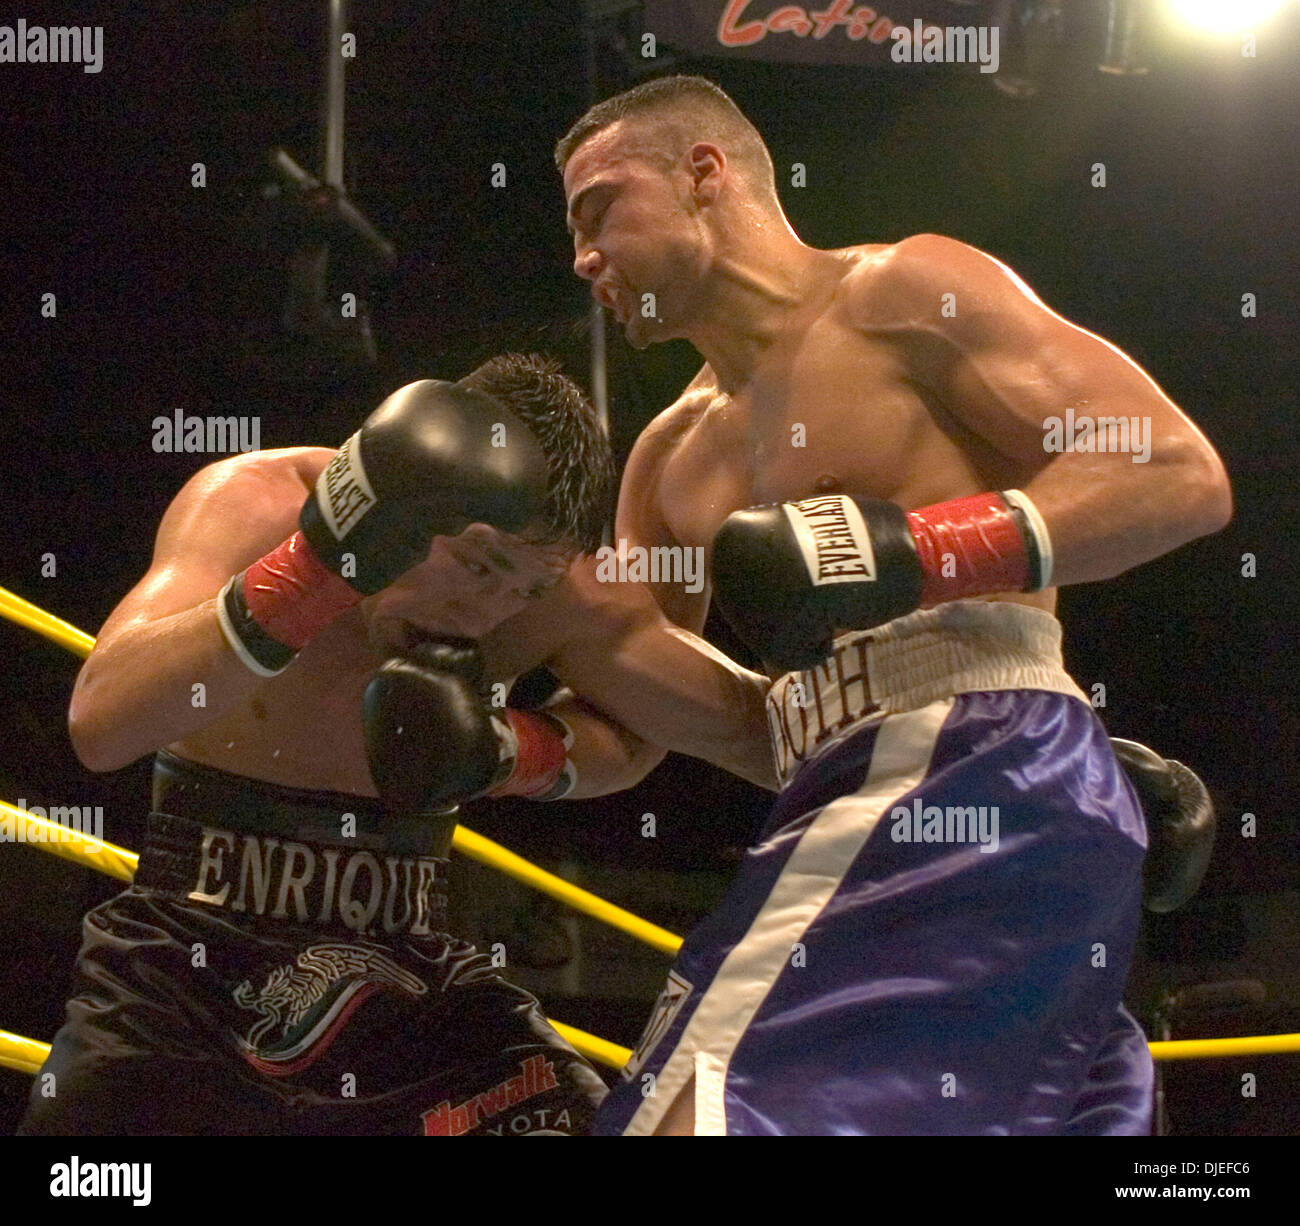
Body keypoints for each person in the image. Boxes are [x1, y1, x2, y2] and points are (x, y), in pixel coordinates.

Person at [552, 74, 1232, 1135]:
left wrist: (916, 550)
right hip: (858, 785)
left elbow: (1174, 471)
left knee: (692, 1111)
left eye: (600, 212)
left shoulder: (902, 294)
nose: (585, 257)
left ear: (702, 175)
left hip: (975, 760)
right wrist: (509, 747)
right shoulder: (668, 463)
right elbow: (635, 710)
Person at [20, 353, 772, 1136]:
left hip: (406, 977)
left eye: (522, 589)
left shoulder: (561, 595)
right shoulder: (260, 504)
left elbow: (703, 734)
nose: (483, 613)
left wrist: (513, 749)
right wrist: (316, 568)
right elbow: (101, 722)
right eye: (477, 563)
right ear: (403, 494)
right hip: (185, 973)